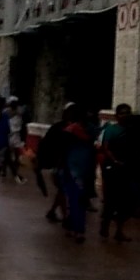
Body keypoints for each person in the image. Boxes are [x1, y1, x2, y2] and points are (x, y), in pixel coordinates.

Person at [98, 105, 140, 241]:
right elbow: (106, 148)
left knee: (125, 201)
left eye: (128, 113)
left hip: (127, 169)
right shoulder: (111, 130)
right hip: (113, 169)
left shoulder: (132, 131)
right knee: (110, 200)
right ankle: (105, 227)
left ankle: (119, 230)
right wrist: (115, 161)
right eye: (122, 113)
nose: (125, 115)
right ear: (117, 116)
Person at [60, 104, 95, 243]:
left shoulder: (71, 130)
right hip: (78, 169)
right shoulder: (89, 131)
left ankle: (75, 228)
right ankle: (77, 229)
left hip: (76, 169)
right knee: (78, 201)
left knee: (75, 201)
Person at [5, 97, 27, 184]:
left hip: (14, 136)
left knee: (13, 157)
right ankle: (14, 173)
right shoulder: (13, 112)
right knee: (9, 157)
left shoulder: (18, 112)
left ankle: (15, 173)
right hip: (11, 136)